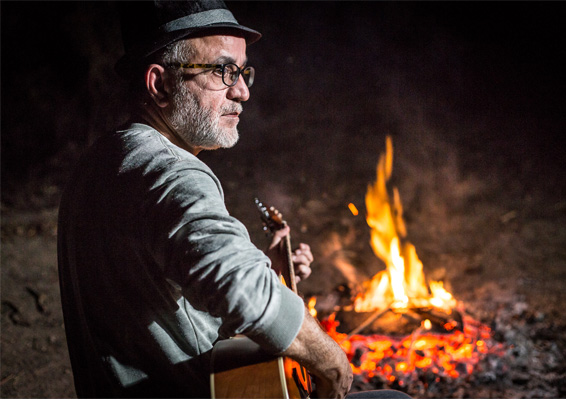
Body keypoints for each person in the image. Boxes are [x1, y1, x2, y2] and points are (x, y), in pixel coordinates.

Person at [58, 1, 410, 398]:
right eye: (222, 71)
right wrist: (331, 359)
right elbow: (242, 291)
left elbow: (169, 317)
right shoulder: (170, 172)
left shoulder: (103, 162)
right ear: (160, 85)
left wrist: (268, 270)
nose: (241, 91)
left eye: (243, 72)